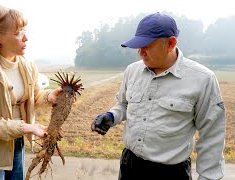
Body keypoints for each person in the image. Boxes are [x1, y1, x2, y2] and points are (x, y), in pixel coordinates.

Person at [91, 12, 226, 180]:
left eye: (146, 46)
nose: (140, 53)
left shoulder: (203, 79)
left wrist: (208, 177)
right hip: (129, 166)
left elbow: (212, 135)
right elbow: (124, 104)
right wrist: (111, 115)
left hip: (170, 173)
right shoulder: (132, 71)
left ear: (170, 43)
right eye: (138, 47)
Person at [0, 4, 61, 180]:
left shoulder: (26, 64)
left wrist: (49, 96)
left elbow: (33, 96)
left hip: (16, 143)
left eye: (24, 30)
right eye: (17, 33)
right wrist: (27, 127)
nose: (26, 38)